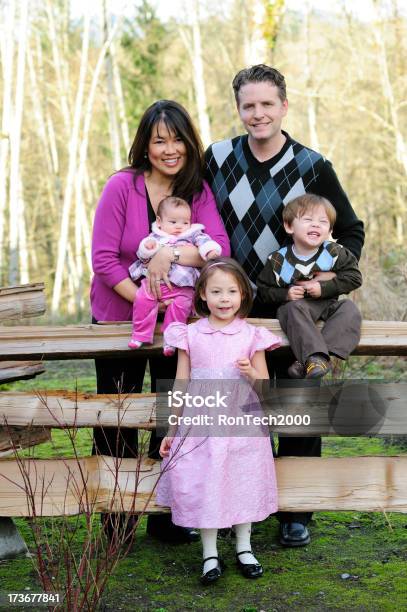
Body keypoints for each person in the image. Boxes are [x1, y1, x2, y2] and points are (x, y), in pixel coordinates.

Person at [204, 64, 364, 547]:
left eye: (267, 104)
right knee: (234, 411)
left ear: (284, 106)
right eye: (248, 106)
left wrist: (326, 281)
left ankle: (296, 512)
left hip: (297, 310)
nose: (258, 114)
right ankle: (221, 506)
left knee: (299, 405)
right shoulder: (217, 158)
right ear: (239, 110)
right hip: (235, 305)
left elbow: (351, 230)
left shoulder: (312, 165)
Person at [91, 99, 230, 543]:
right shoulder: (122, 187)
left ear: (189, 143)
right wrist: (145, 302)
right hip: (120, 318)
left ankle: (168, 515)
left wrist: (170, 253)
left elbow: (219, 250)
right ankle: (117, 518)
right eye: (159, 140)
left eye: (177, 140)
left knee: (172, 413)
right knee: (117, 417)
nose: (169, 149)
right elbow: (104, 260)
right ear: (145, 145)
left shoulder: (198, 191)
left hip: (179, 321)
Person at [156, 258, 281, 584]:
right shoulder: (190, 334)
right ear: (202, 295)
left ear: (242, 294)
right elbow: (181, 383)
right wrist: (171, 429)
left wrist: (251, 373)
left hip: (242, 424)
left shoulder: (252, 336)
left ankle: (244, 547)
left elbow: (265, 388)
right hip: (201, 425)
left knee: (242, 480)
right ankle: (209, 554)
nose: (224, 299)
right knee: (205, 481)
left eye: (231, 291)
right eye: (216, 291)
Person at [257, 193, 362, 378]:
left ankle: (312, 360)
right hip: (296, 310)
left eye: (323, 221)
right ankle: (314, 359)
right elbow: (264, 290)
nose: (316, 224)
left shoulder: (334, 252)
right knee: (291, 309)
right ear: (289, 226)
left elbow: (354, 277)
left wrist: (325, 288)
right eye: (308, 219)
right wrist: (286, 295)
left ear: (329, 229)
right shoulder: (278, 260)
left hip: (328, 305)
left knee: (350, 309)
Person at [128, 195, 221, 354]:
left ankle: (171, 339)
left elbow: (204, 241)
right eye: (173, 222)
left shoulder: (192, 234)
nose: (179, 226)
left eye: (185, 222)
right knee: (142, 299)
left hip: (183, 286)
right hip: (155, 283)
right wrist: (147, 248)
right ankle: (140, 335)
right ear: (159, 222)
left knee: (180, 307)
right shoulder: (155, 237)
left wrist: (211, 251)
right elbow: (142, 257)